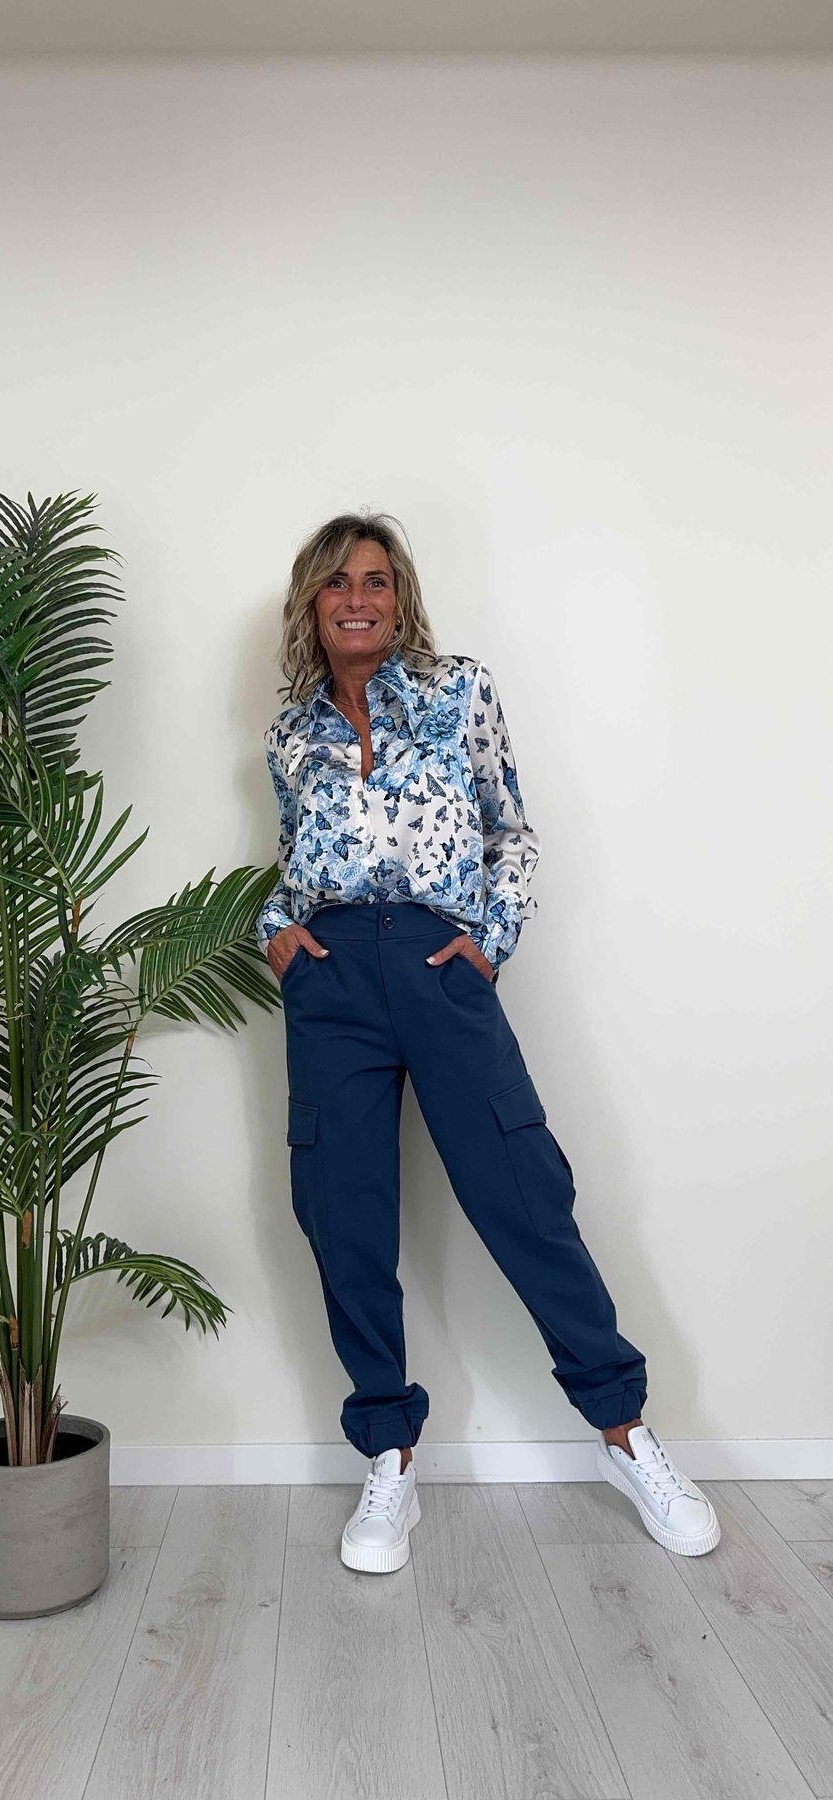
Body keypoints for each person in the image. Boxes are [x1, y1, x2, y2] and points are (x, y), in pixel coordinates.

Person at [256, 510, 720, 1574]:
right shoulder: (289, 732)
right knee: (342, 1215)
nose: (356, 599)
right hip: (330, 980)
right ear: (311, 604)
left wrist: (490, 941)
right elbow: (292, 857)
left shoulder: (459, 690)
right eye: (336, 583)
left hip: (439, 966)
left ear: (399, 596)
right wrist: (276, 931)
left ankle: (625, 1436)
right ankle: (389, 1457)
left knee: (524, 1195)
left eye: (375, 580)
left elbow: (510, 829)